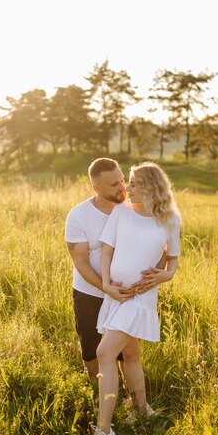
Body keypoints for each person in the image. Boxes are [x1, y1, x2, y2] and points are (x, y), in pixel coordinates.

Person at [91, 162, 181, 435]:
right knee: (130, 354)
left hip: (140, 297)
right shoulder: (121, 212)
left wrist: (166, 275)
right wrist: (106, 284)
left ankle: (104, 433)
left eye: (132, 184)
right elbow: (106, 250)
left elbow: (172, 261)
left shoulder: (170, 219)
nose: (126, 190)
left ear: (151, 187)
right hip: (117, 295)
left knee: (105, 353)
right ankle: (142, 411)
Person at [65, 158, 171, 387]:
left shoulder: (135, 208)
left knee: (127, 354)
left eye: (123, 180)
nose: (122, 187)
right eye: (114, 185)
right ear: (96, 188)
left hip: (127, 295)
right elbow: (81, 263)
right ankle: (98, 393)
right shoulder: (78, 216)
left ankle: (131, 399)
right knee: (92, 352)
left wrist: (157, 275)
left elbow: (160, 245)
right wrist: (106, 287)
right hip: (90, 293)